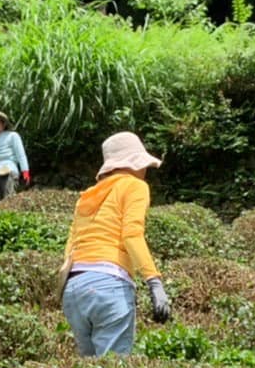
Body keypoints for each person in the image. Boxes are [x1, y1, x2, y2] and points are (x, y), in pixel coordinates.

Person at [59, 132, 171, 356]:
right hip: (109, 284)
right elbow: (131, 235)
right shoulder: (135, 186)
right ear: (133, 164)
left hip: (74, 289)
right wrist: (154, 282)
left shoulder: (87, 196)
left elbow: (70, 247)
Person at [0, 111, 31, 204]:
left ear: (3, 124)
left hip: (9, 169)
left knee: (9, 200)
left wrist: (25, 171)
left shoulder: (13, 136)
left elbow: (21, 154)